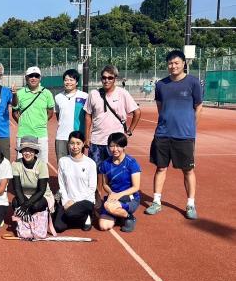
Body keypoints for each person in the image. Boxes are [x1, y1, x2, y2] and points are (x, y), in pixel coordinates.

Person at [146, 50, 203, 220]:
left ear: (184, 63)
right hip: (163, 134)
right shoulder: (161, 84)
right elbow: (160, 107)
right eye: (170, 63)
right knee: (160, 167)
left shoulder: (193, 82)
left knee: (188, 170)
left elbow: (198, 106)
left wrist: (191, 126)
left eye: (176, 63)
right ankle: (156, 202)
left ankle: (190, 204)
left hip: (184, 135)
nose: (173, 66)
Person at [83, 65, 141, 192]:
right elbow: (88, 116)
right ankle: (97, 198)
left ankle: (115, 197)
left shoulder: (122, 93)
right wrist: (87, 138)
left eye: (110, 77)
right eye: (104, 77)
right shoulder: (93, 94)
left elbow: (137, 112)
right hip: (96, 141)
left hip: (115, 143)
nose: (106, 80)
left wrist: (128, 132)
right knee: (96, 171)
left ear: (115, 79)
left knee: (115, 171)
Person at [52, 131, 96, 232]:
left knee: (70, 213)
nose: (75, 146)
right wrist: (65, 201)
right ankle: (77, 219)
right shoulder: (63, 161)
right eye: (72, 143)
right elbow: (61, 184)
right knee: (58, 227)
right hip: (68, 200)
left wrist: (75, 202)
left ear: (83, 144)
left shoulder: (90, 163)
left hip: (85, 200)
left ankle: (87, 216)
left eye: (78, 143)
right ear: (68, 144)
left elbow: (92, 188)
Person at [99, 133, 141, 233]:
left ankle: (129, 217)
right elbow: (105, 184)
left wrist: (119, 195)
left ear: (124, 146)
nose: (115, 149)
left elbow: (136, 187)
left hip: (130, 198)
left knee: (108, 206)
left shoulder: (131, 163)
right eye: (112, 146)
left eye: (118, 146)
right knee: (103, 226)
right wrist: (111, 193)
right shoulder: (106, 163)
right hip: (113, 197)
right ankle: (119, 214)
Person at [12, 66, 55, 163]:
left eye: (36, 76)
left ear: (40, 78)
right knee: (21, 164)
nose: (33, 78)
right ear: (26, 78)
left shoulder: (47, 93)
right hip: (24, 133)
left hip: (41, 134)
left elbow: (50, 112)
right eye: (31, 76)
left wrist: (42, 121)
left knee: (42, 163)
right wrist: (23, 122)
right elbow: (15, 111)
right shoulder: (19, 93)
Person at [11, 136, 54, 228]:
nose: (27, 153)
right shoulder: (15, 164)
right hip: (24, 195)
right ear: (21, 151)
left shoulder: (42, 165)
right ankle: (26, 221)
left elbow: (41, 190)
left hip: (41, 196)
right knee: (14, 202)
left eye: (31, 150)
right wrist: (25, 208)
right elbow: (17, 189)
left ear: (35, 152)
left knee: (35, 206)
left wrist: (25, 206)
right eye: (24, 150)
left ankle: (38, 219)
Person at [54, 69, 88, 162]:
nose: (68, 82)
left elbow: (88, 117)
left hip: (77, 137)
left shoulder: (85, 96)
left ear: (76, 82)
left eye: (71, 80)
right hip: (61, 137)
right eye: (66, 80)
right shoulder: (58, 97)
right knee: (62, 165)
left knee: (77, 164)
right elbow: (58, 116)